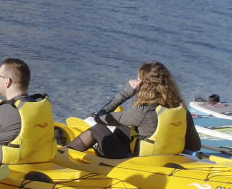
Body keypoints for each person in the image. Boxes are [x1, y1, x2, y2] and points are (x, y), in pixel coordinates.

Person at [67, 61, 201, 158]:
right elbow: (195, 146)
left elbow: (100, 117)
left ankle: (65, 154)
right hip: (165, 157)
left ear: (143, 85)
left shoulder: (143, 111)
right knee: (123, 129)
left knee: (97, 128)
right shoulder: (182, 110)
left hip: (135, 162)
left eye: (138, 79)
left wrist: (126, 93)